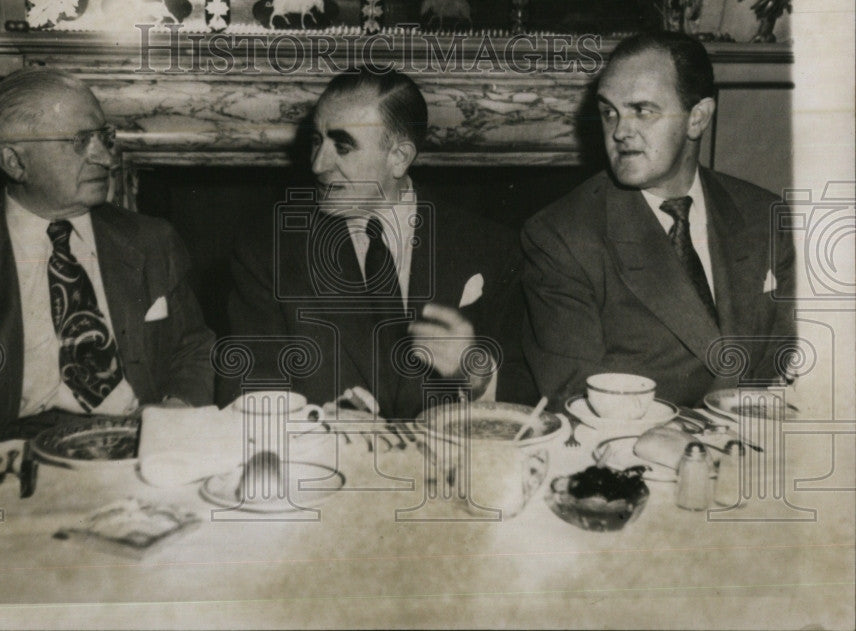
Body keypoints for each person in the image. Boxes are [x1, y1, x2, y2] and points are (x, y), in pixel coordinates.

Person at [0, 68, 216, 441]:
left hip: (138, 438)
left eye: (103, 138)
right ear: (14, 161)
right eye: (79, 141)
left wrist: (177, 408)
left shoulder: (153, 240)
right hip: (12, 458)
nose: (105, 158)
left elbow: (193, 346)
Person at [223, 67, 536, 419]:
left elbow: (534, 392)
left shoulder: (489, 247)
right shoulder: (266, 252)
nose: (318, 164)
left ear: (399, 157)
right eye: (316, 141)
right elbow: (250, 394)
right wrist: (318, 422)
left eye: (342, 146)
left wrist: (474, 373)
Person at [520, 31, 796, 410]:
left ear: (697, 119)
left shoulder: (765, 216)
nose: (619, 131)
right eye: (609, 112)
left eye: (643, 111)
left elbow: (799, 358)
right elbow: (576, 401)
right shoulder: (562, 236)